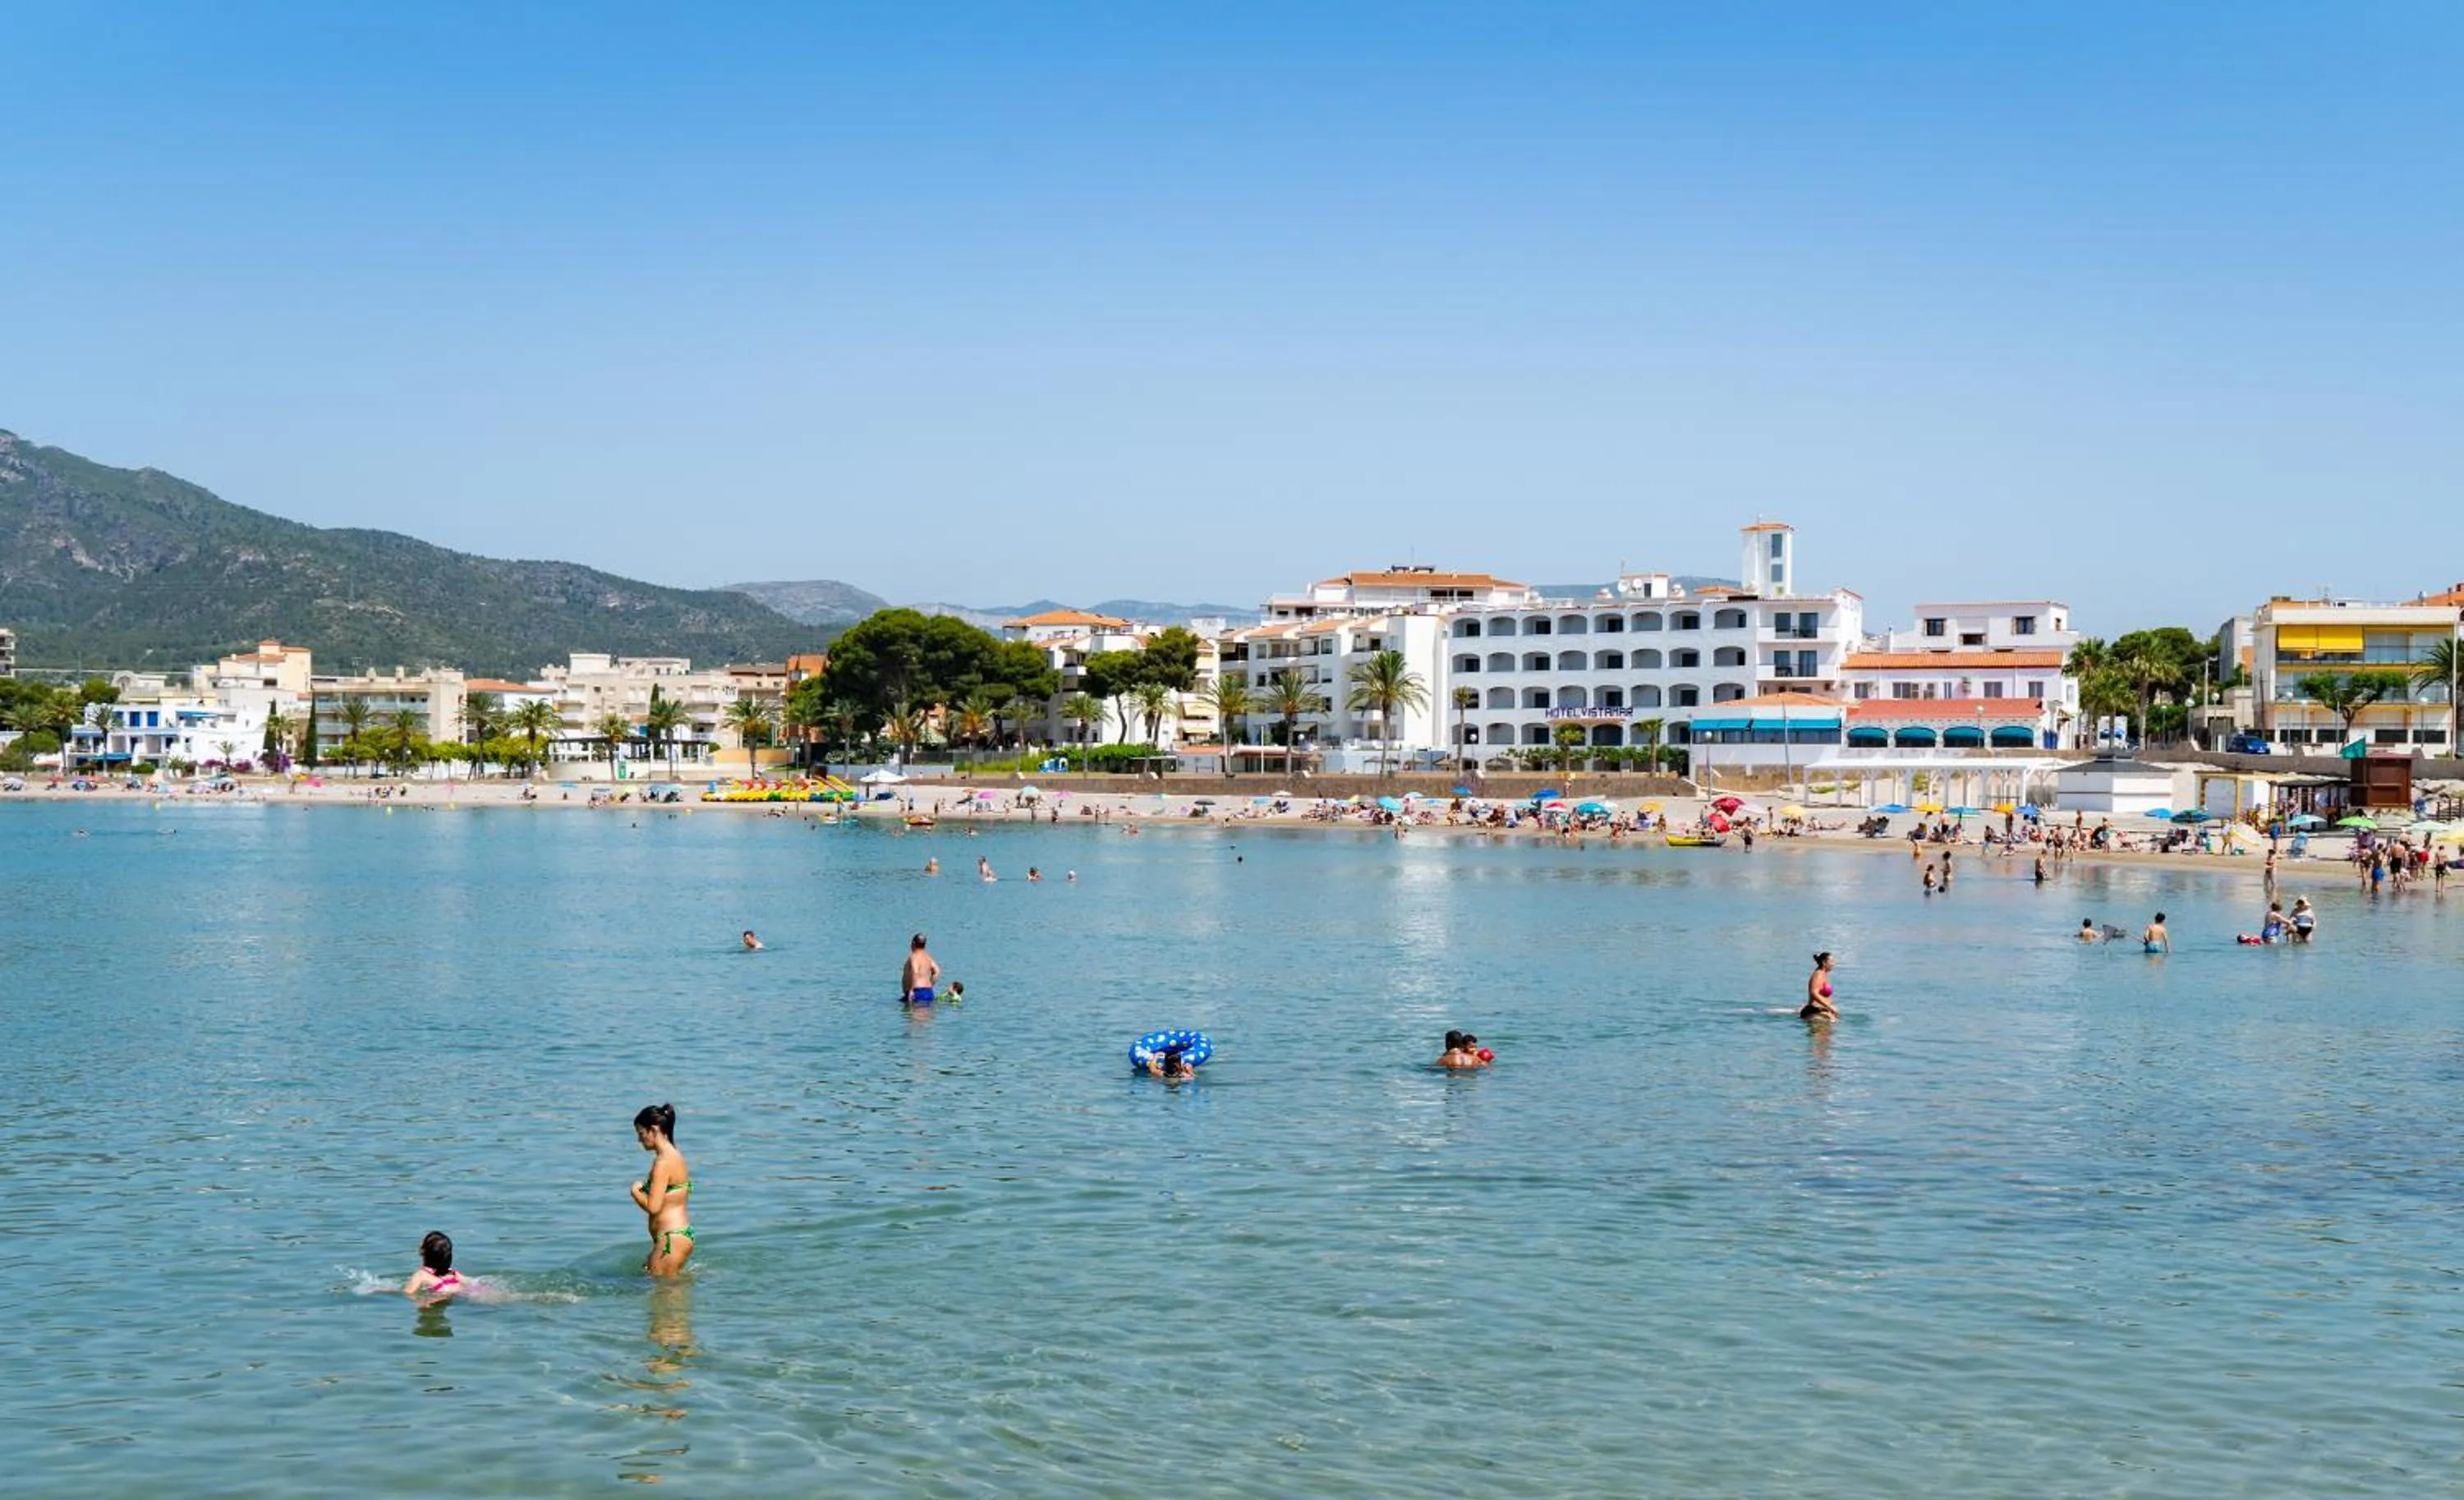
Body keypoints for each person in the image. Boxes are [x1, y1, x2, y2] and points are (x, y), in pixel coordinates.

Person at [629, 1104, 694, 1277]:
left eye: (641, 1133)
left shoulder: (663, 1162)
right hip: (678, 1236)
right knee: (663, 1285)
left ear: (654, 1130)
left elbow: (653, 1207)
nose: (639, 1140)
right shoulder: (675, 1155)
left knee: (662, 1290)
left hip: (671, 1239)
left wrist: (635, 1192)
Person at [402, 1230, 465, 1300]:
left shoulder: (421, 1275)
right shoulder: (454, 1273)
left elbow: (407, 1293)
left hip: (440, 1294)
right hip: (457, 1288)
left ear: (423, 1251)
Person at [901, 932, 941, 1005]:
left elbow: (915, 972)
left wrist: (912, 990)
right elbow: (937, 971)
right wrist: (930, 984)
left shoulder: (914, 956)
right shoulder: (928, 957)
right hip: (929, 992)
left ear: (913, 943)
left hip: (917, 992)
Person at [1801, 952, 1838, 1020]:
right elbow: (1814, 992)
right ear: (1824, 963)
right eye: (1831, 962)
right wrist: (1829, 1006)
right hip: (1815, 1011)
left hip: (1821, 1010)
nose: (1833, 964)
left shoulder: (1823, 974)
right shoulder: (1818, 975)